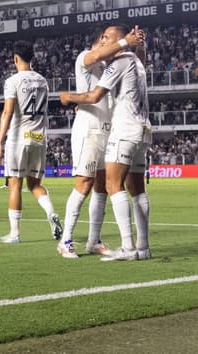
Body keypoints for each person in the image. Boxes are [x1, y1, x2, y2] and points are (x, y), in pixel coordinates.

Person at [60, 25, 152, 261]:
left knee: (103, 187)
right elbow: (98, 64)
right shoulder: (86, 58)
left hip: (113, 130)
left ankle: (94, 240)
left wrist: (137, 44)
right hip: (89, 130)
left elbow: (96, 95)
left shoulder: (114, 64)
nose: (108, 44)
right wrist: (129, 42)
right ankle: (66, 240)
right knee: (84, 184)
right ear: (101, 40)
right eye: (106, 39)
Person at [0, 40, 61, 243]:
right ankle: (51, 212)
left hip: (19, 138)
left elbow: (7, 112)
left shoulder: (13, 81)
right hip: (39, 137)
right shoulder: (43, 81)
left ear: (15, 58)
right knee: (35, 184)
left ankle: (14, 233)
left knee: (15, 185)